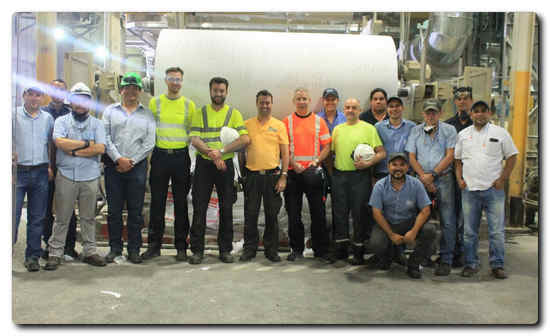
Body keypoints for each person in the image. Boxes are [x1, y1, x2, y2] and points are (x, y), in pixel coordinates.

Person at [44, 82, 107, 270]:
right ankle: (55, 253)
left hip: (90, 177)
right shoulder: (61, 122)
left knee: (88, 217)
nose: (80, 104)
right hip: (66, 176)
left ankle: (90, 252)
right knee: (62, 217)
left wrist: (74, 150)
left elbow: (100, 148)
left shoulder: (97, 124)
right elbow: (60, 142)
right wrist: (88, 145)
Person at [189, 77, 250, 264]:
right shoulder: (201, 113)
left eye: (222, 91)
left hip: (225, 166)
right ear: (210, 91)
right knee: (199, 207)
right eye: (215, 90)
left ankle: (225, 250)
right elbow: (194, 138)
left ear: (226, 92)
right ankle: (197, 251)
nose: (218, 94)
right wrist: (212, 154)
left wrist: (221, 152)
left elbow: (245, 139)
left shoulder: (234, 114)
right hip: (204, 165)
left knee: (226, 208)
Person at [455, 100, 518, 279]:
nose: (480, 114)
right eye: (476, 111)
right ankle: (470, 264)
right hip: (470, 190)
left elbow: (512, 156)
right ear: (471, 114)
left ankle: (497, 265)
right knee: (469, 231)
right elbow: (457, 159)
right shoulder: (463, 135)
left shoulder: (500, 133)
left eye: (484, 111)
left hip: (493, 191)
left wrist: (502, 179)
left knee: (497, 231)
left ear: (489, 113)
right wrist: (459, 179)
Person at [140, 67, 197, 262]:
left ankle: (181, 247)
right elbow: (149, 129)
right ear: (165, 80)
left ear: (182, 81)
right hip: (159, 157)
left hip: (180, 157)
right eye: (171, 78)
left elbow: (192, 132)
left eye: (178, 79)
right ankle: (154, 246)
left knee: (181, 204)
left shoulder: (189, 105)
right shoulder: (155, 103)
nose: (175, 82)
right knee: (157, 203)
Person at [103, 72, 156, 264]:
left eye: (135, 88)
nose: (131, 91)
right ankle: (115, 249)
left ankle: (134, 249)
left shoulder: (147, 114)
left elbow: (149, 143)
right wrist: (119, 159)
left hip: (137, 168)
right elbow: (105, 137)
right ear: (121, 90)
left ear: (140, 91)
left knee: (135, 211)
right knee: (114, 211)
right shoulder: (110, 111)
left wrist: (131, 161)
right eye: (128, 87)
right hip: (114, 167)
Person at [405, 99, 458, 276]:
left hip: (443, 179)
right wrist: (423, 177)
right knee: (421, 219)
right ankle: (423, 256)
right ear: (423, 114)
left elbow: (450, 155)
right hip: (420, 180)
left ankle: (446, 259)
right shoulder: (415, 131)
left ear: (440, 113)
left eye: (434, 112)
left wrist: (433, 175)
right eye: (428, 112)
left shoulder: (449, 131)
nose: (430, 115)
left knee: (447, 220)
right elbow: (411, 156)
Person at [331, 98, 385, 264]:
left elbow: (381, 153)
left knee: (359, 214)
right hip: (339, 176)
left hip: (360, 177)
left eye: (354, 107)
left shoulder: (369, 129)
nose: (350, 110)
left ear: (360, 110)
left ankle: (358, 252)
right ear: (344, 110)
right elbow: (331, 152)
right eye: (347, 107)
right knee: (339, 213)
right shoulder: (337, 129)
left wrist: (368, 163)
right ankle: (341, 250)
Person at [238, 90, 289, 262]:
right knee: (250, 214)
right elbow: (241, 151)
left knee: (271, 215)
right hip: (252, 176)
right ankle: (249, 249)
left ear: (271, 104)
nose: (265, 105)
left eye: (267, 102)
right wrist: (243, 174)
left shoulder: (279, 125)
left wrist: (283, 176)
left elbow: (285, 153)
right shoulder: (247, 124)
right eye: (262, 102)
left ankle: (271, 250)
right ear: (257, 103)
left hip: (272, 177)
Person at [283, 88, 332, 262]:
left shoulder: (319, 121)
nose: (302, 101)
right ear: (294, 101)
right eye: (298, 99)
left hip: (313, 173)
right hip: (293, 173)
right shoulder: (286, 122)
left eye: (304, 98)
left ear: (309, 100)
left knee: (318, 213)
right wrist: (292, 164)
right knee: (293, 214)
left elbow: (327, 145)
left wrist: (317, 161)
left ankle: (321, 250)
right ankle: (296, 249)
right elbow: (282, 148)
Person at [368, 152, 436, 279]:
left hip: (408, 222)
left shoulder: (416, 184)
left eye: (402, 165)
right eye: (394, 165)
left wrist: (414, 231)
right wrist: (391, 234)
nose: (398, 168)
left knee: (430, 230)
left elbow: (426, 209)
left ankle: (414, 264)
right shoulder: (380, 186)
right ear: (388, 167)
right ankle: (390, 256)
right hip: (387, 224)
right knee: (376, 243)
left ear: (407, 167)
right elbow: (376, 212)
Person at [13, 86, 54, 272]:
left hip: (40, 173)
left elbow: (51, 145)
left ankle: (32, 257)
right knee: (11, 217)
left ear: (42, 98)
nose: (34, 98)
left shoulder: (47, 119)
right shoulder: (12, 115)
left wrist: (50, 166)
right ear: (24, 96)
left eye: (38, 95)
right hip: (17, 172)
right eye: (30, 94)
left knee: (37, 218)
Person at [42, 79, 78, 260]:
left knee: (68, 207)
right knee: (45, 209)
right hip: (47, 168)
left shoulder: (71, 115)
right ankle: (48, 245)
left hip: (67, 167)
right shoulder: (42, 114)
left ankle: (69, 246)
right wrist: (47, 166)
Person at [444, 86, 474, 267]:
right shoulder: (448, 125)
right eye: (459, 98)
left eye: (466, 98)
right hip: (450, 178)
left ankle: (464, 253)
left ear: (471, 100)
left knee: (467, 218)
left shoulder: (478, 124)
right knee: (450, 217)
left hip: (471, 177)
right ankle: (450, 252)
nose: (462, 101)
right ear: (455, 102)